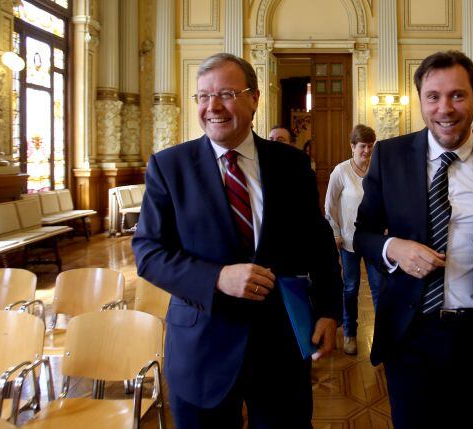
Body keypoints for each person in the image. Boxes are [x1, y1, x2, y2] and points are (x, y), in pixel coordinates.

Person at [132, 53, 342, 429]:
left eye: (226, 94)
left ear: (254, 98)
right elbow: (148, 253)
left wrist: (328, 310)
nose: (212, 106)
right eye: (203, 96)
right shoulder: (169, 167)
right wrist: (216, 277)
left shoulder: (291, 165)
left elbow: (319, 242)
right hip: (202, 348)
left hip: (279, 347)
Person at [353, 51, 473, 427]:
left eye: (457, 95)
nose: (445, 108)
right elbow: (363, 235)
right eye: (433, 97)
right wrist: (394, 248)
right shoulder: (390, 156)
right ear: (420, 99)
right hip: (409, 331)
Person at [325, 124, 382, 355]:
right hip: (347, 240)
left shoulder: (377, 170)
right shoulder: (341, 171)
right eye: (362, 146)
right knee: (350, 288)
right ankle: (349, 332)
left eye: (370, 146)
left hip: (373, 240)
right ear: (352, 147)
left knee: (379, 288)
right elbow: (329, 206)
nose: (366, 151)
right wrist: (336, 232)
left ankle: (381, 335)